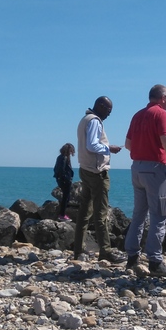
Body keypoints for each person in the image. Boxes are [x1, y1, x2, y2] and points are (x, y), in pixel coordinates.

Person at [123, 84, 166, 277]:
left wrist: (142, 150)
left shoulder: (137, 115)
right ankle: (155, 261)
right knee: (159, 215)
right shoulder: (161, 114)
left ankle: (132, 257)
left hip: (137, 167)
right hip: (154, 168)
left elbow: (128, 144)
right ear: (163, 98)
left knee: (139, 214)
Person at [72, 96, 125, 263]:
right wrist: (110, 148)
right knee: (100, 214)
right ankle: (105, 251)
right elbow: (92, 145)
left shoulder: (84, 119)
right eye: (108, 110)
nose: (109, 114)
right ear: (101, 106)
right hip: (97, 172)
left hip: (85, 169)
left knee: (84, 212)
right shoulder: (94, 121)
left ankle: (78, 250)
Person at [54, 143, 76, 221]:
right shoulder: (64, 158)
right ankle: (62, 215)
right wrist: (66, 179)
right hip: (64, 180)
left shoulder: (60, 157)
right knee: (66, 198)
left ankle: (62, 214)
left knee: (66, 197)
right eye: (71, 151)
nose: (72, 152)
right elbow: (62, 170)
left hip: (61, 179)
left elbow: (56, 169)